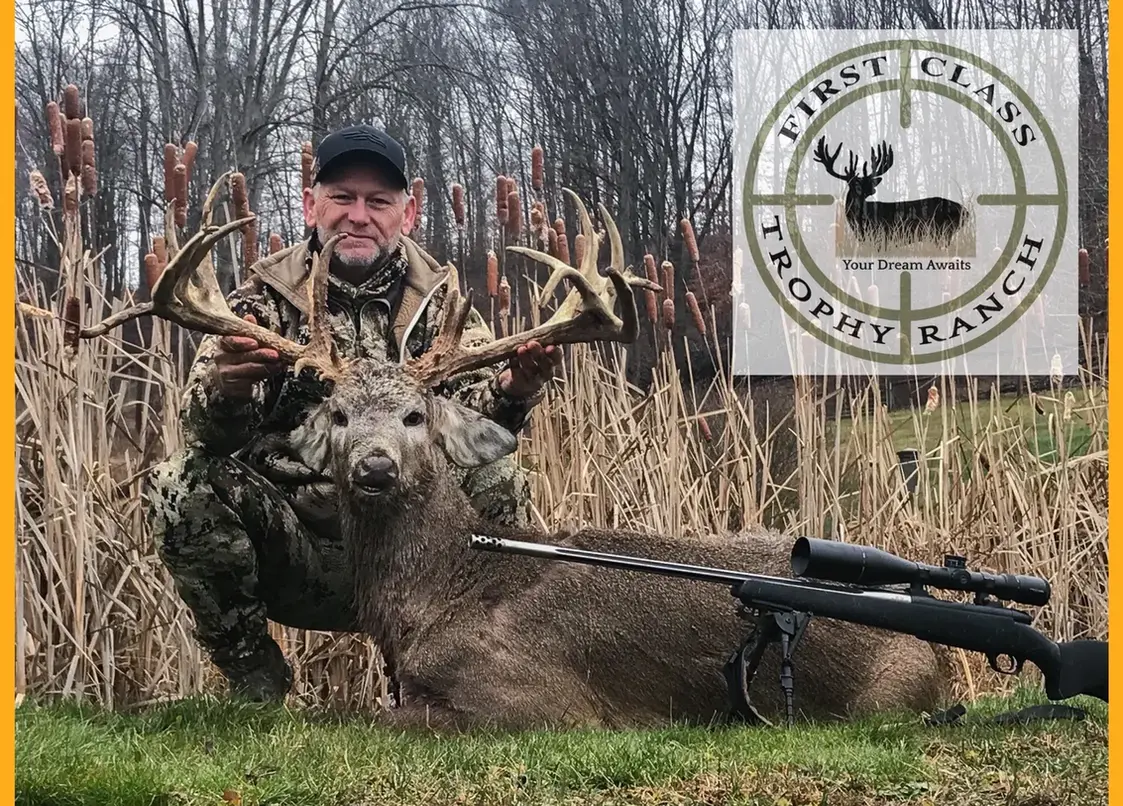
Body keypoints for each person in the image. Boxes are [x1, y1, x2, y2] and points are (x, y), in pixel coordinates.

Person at [146, 124, 562, 702]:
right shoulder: (259, 304)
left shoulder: (444, 307)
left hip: (421, 553)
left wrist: (514, 390)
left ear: (408, 213)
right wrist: (229, 389)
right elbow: (201, 435)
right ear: (311, 203)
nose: (358, 216)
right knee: (178, 483)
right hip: (306, 555)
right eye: (342, 197)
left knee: (497, 478)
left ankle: (456, 679)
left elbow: (474, 430)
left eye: (378, 201)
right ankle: (255, 684)